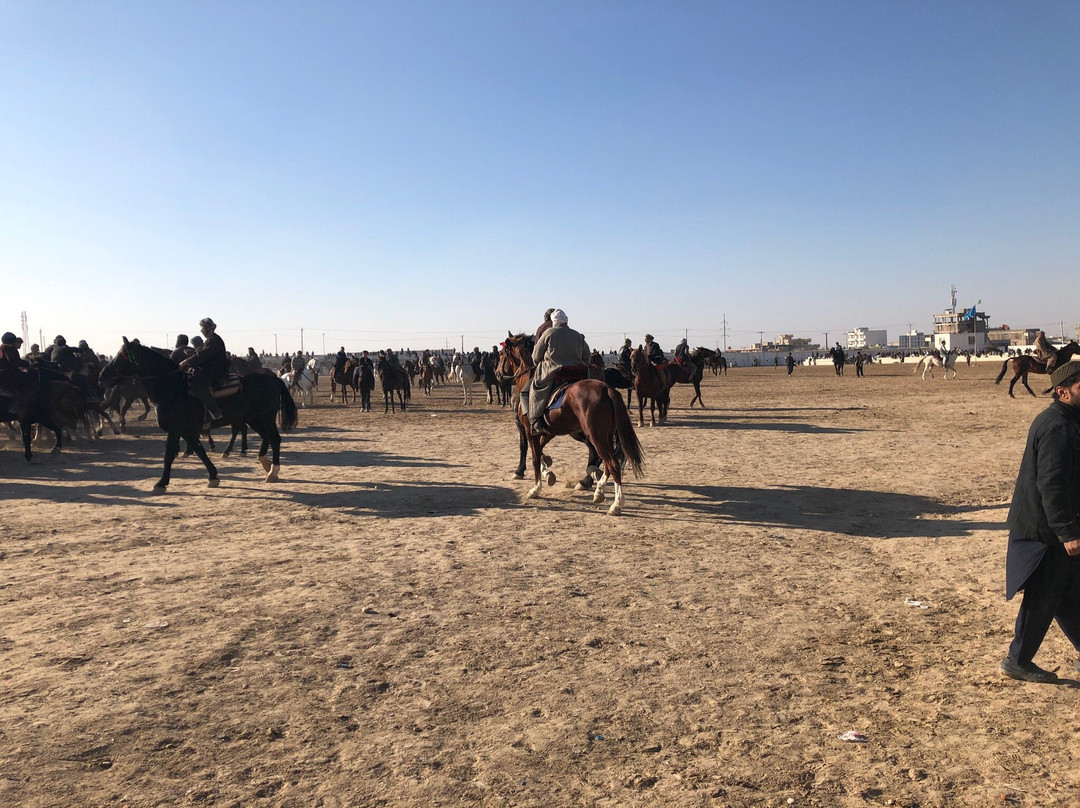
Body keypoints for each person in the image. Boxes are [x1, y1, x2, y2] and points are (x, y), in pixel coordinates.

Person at [1000, 359, 1080, 683]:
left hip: (1057, 529)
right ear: (1062, 392)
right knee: (1047, 594)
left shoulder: (1070, 420)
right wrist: (1067, 532)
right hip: (1046, 532)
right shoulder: (1056, 427)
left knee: (1068, 595)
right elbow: (1052, 484)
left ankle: (1018, 659)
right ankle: (1017, 660)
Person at [524, 309, 590, 435]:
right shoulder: (577, 334)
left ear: (553, 322)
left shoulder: (548, 332)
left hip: (554, 372)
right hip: (578, 373)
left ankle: (535, 420)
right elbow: (587, 356)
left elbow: (536, 357)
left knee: (534, 389)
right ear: (566, 320)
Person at [179, 317, 227, 420]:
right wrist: (191, 354)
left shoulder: (214, 340)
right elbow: (200, 351)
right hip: (209, 369)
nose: (201, 330)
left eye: (202, 327)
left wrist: (187, 361)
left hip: (214, 372)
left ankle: (215, 411)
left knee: (197, 384)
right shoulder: (210, 340)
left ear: (207, 328)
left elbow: (203, 354)